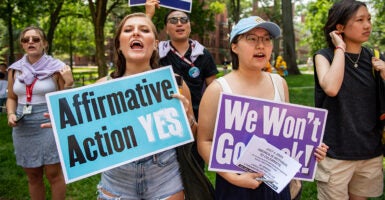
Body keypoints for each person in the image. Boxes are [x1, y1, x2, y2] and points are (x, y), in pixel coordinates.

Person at [197, 16, 329, 200]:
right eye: (252, 38)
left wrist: (310, 149)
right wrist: (232, 177)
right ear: (234, 47)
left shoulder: (279, 84)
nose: (261, 45)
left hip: (276, 185)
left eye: (266, 39)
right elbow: (204, 141)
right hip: (235, 188)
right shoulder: (217, 90)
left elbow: (288, 136)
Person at [96, 12, 200, 200]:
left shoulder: (176, 84)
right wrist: (68, 130)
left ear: (155, 45)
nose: (136, 33)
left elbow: (194, 136)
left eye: (144, 30)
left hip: (165, 177)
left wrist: (188, 120)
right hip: (117, 179)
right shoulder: (101, 87)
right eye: (128, 30)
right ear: (119, 45)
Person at [313, 0, 385, 199]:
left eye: (369, 19)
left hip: (369, 151)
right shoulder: (324, 56)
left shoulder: (376, 58)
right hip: (335, 153)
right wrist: (340, 48)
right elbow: (331, 88)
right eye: (360, 20)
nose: (367, 25)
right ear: (340, 27)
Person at [145, 0, 219, 169]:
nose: (179, 23)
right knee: (166, 169)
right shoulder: (157, 54)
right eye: (173, 20)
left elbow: (213, 89)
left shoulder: (203, 54)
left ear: (190, 27)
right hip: (164, 123)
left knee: (194, 169)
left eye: (183, 20)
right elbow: (141, 39)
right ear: (166, 28)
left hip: (195, 122)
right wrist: (148, 15)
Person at [6, 26, 73, 200]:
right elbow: (12, 97)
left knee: (53, 173)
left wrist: (69, 84)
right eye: (26, 39)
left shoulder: (57, 68)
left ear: (44, 43)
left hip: (47, 120)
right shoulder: (15, 69)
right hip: (23, 124)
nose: (30, 42)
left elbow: (64, 99)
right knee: (33, 175)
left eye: (35, 39)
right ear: (22, 45)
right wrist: (10, 114)